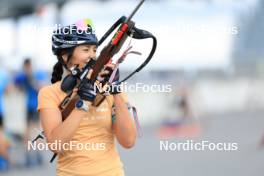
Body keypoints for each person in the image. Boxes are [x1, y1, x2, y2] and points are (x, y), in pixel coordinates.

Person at [38, 19, 136, 175]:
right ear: (65, 56)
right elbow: (56, 145)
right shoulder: (49, 93)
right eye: (86, 50)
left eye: (95, 50)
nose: (93, 56)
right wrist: (83, 101)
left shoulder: (107, 89)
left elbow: (128, 141)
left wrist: (115, 90)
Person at [14, 58, 47, 167]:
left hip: (37, 106)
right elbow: (14, 86)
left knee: (37, 130)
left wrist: (33, 81)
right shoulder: (22, 76)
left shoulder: (37, 74)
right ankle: (29, 156)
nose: (27, 69)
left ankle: (38, 155)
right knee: (28, 132)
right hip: (27, 107)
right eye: (26, 67)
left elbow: (43, 87)